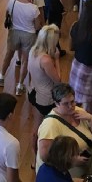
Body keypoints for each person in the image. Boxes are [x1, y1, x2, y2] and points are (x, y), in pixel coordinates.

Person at [36, 83, 92, 174]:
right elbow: (45, 156)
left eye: (72, 101)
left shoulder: (78, 111)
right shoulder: (50, 125)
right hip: (63, 171)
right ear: (56, 103)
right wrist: (71, 161)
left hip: (80, 164)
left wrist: (90, 118)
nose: (71, 106)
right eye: (65, 104)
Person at [0, 0, 43, 96]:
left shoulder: (12, 2)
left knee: (8, 55)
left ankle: (1, 77)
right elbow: (37, 26)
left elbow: (7, 16)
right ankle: (20, 86)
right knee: (25, 61)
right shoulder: (34, 9)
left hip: (14, 32)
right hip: (29, 35)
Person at [27, 25, 62, 160]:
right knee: (48, 129)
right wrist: (57, 60)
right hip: (46, 98)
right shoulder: (46, 60)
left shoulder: (33, 51)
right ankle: (46, 155)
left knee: (36, 125)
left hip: (33, 92)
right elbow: (58, 80)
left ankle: (33, 155)